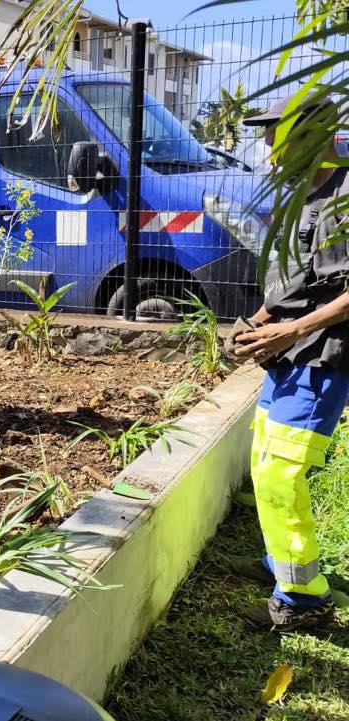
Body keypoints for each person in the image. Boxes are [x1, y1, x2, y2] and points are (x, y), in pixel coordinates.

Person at [230, 94, 349, 631]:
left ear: (317, 135)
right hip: (285, 354)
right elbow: (294, 285)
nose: (269, 148)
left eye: (279, 134)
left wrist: (291, 331)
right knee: (264, 464)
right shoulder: (299, 196)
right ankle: (285, 568)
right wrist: (257, 322)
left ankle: (305, 603)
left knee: (281, 474)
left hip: (322, 357)